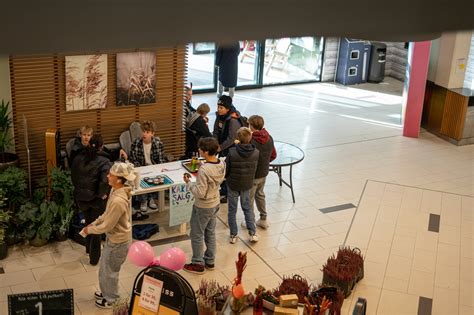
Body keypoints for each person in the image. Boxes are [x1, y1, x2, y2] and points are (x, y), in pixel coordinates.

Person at [80, 162, 138, 309]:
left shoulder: (119, 200)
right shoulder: (115, 191)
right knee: (104, 269)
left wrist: (89, 230)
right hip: (114, 239)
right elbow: (106, 215)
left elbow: (108, 226)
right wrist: (94, 222)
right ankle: (107, 292)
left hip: (119, 242)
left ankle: (112, 299)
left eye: (111, 175)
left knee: (110, 271)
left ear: (119, 179)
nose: (107, 176)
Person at [182, 137, 225, 274]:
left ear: (205, 152)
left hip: (203, 206)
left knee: (196, 234)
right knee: (210, 232)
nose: (198, 150)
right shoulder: (222, 163)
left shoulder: (204, 169)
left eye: (200, 148)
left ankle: (197, 263)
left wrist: (189, 183)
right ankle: (210, 260)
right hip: (215, 202)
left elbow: (200, 193)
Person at [71, 135, 111, 265]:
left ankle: (88, 249)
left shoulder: (77, 158)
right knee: (96, 228)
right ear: (101, 146)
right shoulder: (104, 161)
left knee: (88, 223)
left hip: (81, 198)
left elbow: (73, 177)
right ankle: (94, 259)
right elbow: (105, 181)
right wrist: (101, 194)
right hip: (96, 200)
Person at [226, 127, 259, 244]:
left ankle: (233, 234)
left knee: (232, 210)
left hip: (233, 184)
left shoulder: (232, 152)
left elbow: (227, 169)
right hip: (247, 183)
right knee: (247, 208)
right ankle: (252, 233)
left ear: (238, 139)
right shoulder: (256, 152)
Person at [129, 120, 167, 213]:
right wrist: (140, 168)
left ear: (152, 133)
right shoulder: (136, 143)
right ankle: (143, 201)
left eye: (147, 132)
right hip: (141, 167)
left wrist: (158, 169)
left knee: (155, 178)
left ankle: (151, 198)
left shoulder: (158, 144)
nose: (144, 134)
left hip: (154, 167)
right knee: (140, 177)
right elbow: (133, 159)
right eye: (143, 131)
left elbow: (161, 160)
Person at [212, 95, 245, 201]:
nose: (218, 109)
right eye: (218, 107)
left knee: (229, 171)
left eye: (221, 108)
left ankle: (228, 194)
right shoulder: (219, 116)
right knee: (223, 169)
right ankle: (224, 189)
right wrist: (216, 143)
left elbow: (232, 138)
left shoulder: (233, 120)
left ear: (227, 108)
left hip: (231, 148)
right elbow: (216, 131)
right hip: (222, 147)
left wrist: (220, 147)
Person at [246, 115, 276, 229]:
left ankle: (250, 221)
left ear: (251, 126)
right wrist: (265, 163)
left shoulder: (251, 140)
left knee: (249, 198)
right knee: (260, 195)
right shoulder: (269, 137)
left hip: (253, 174)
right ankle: (263, 218)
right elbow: (273, 155)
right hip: (264, 173)